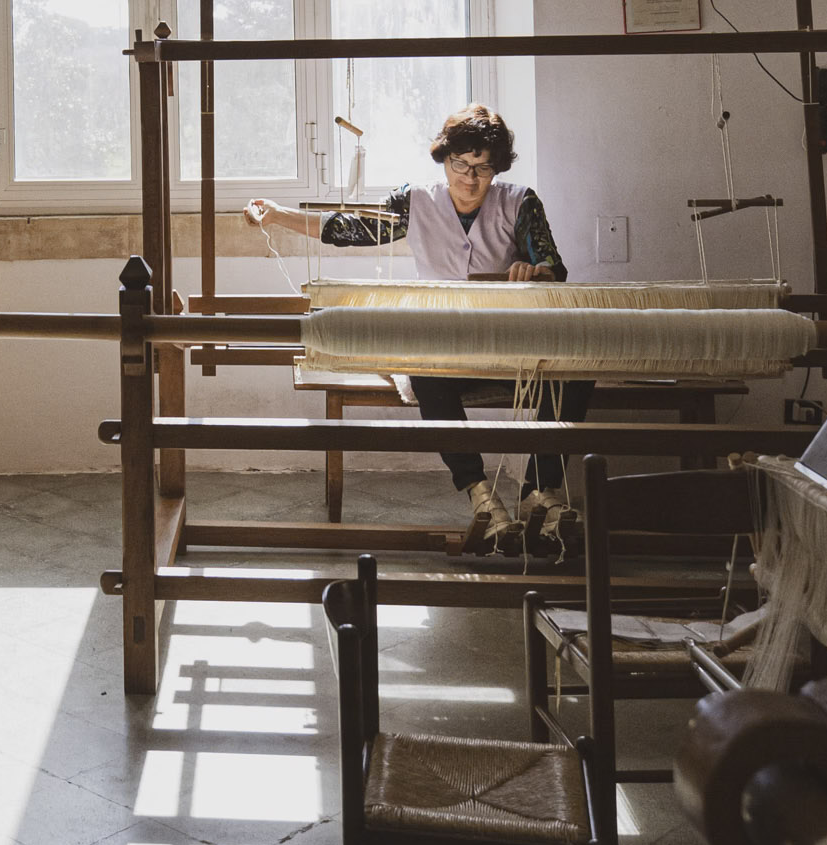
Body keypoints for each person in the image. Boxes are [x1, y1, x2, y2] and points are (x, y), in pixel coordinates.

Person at [244, 103, 588, 558]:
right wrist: (279, 214)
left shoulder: (520, 202)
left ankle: (539, 492)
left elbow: (554, 268)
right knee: (425, 373)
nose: (470, 178)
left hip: (511, 342)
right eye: (460, 165)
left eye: (483, 169)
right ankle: (480, 494)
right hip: (447, 346)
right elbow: (351, 229)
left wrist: (534, 271)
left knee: (578, 371)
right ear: (444, 159)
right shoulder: (416, 201)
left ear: (497, 168)